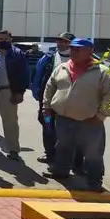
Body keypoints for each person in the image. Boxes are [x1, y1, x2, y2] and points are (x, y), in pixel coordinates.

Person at [42, 38, 110, 192]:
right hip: (63, 118)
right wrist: (47, 106)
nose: (73, 52)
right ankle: (61, 172)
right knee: (63, 146)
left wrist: (101, 115)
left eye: (78, 49)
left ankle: (94, 182)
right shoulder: (62, 68)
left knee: (93, 153)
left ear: (90, 51)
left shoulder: (102, 71)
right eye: (72, 49)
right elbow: (50, 87)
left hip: (90, 121)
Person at [31, 32, 80, 166]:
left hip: (71, 104)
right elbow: (37, 76)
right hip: (49, 104)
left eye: (65, 42)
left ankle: (73, 160)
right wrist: (38, 95)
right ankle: (50, 154)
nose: (61, 44)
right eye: (59, 41)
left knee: (71, 131)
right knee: (48, 126)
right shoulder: (48, 58)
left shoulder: (80, 59)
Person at [0, 30, 31, 160]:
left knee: (10, 122)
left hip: (9, 91)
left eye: (6, 39)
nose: (3, 41)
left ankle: (13, 149)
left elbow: (25, 74)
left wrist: (20, 92)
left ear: (10, 39)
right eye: (1, 39)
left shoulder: (17, 54)